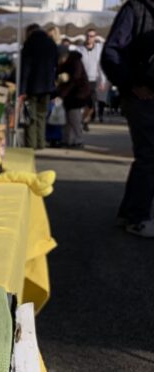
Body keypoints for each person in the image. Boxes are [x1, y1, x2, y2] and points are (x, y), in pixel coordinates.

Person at [101, 0, 154, 237]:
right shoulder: (135, 9)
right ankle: (137, 218)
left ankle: (129, 213)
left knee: (148, 157)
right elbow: (111, 52)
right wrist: (133, 84)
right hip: (142, 96)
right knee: (149, 156)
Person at [20, 24, 59, 150]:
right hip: (47, 86)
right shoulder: (51, 43)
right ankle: (41, 142)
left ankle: (31, 144)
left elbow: (25, 68)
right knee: (42, 116)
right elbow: (55, 65)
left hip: (32, 87)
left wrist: (22, 89)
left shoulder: (29, 44)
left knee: (31, 116)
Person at [56, 49, 92, 148]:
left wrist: (62, 94)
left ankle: (78, 139)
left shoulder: (75, 62)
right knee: (68, 118)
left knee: (74, 118)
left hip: (78, 93)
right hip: (70, 94)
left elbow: (75, 79)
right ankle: (67, 139)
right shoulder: (65, 63)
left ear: (64, 57)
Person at [76, 28, 105, 129]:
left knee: (91, 104)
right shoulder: (79, 49)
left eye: (91, 36)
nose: (89, 38)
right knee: (82, 102)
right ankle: (84, 122)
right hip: (82, 80)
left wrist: (103, 80)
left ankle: (85, 119)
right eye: (88, 36)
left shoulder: (99, 49)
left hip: (93, 79)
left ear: (95, 38)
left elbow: (100, 66)